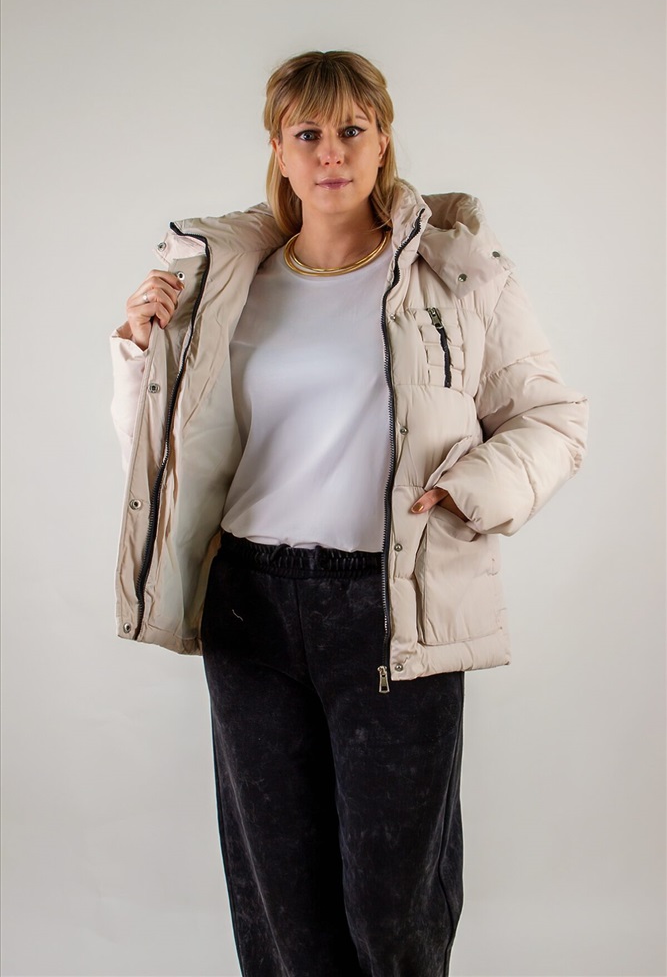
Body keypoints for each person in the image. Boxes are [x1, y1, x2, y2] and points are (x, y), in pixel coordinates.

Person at [110, 50, 588, 977]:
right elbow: (157, 451)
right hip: (249, 601)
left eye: (350, 130)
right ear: (278, 151)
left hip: (389, 604)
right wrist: (140, 349)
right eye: (308, 133)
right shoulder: (229, 284)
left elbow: (552, 419)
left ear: (381, 141)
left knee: (391, 907)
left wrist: (466, 492)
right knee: (280, 904)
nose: (330, 152)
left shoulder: (455, 276)